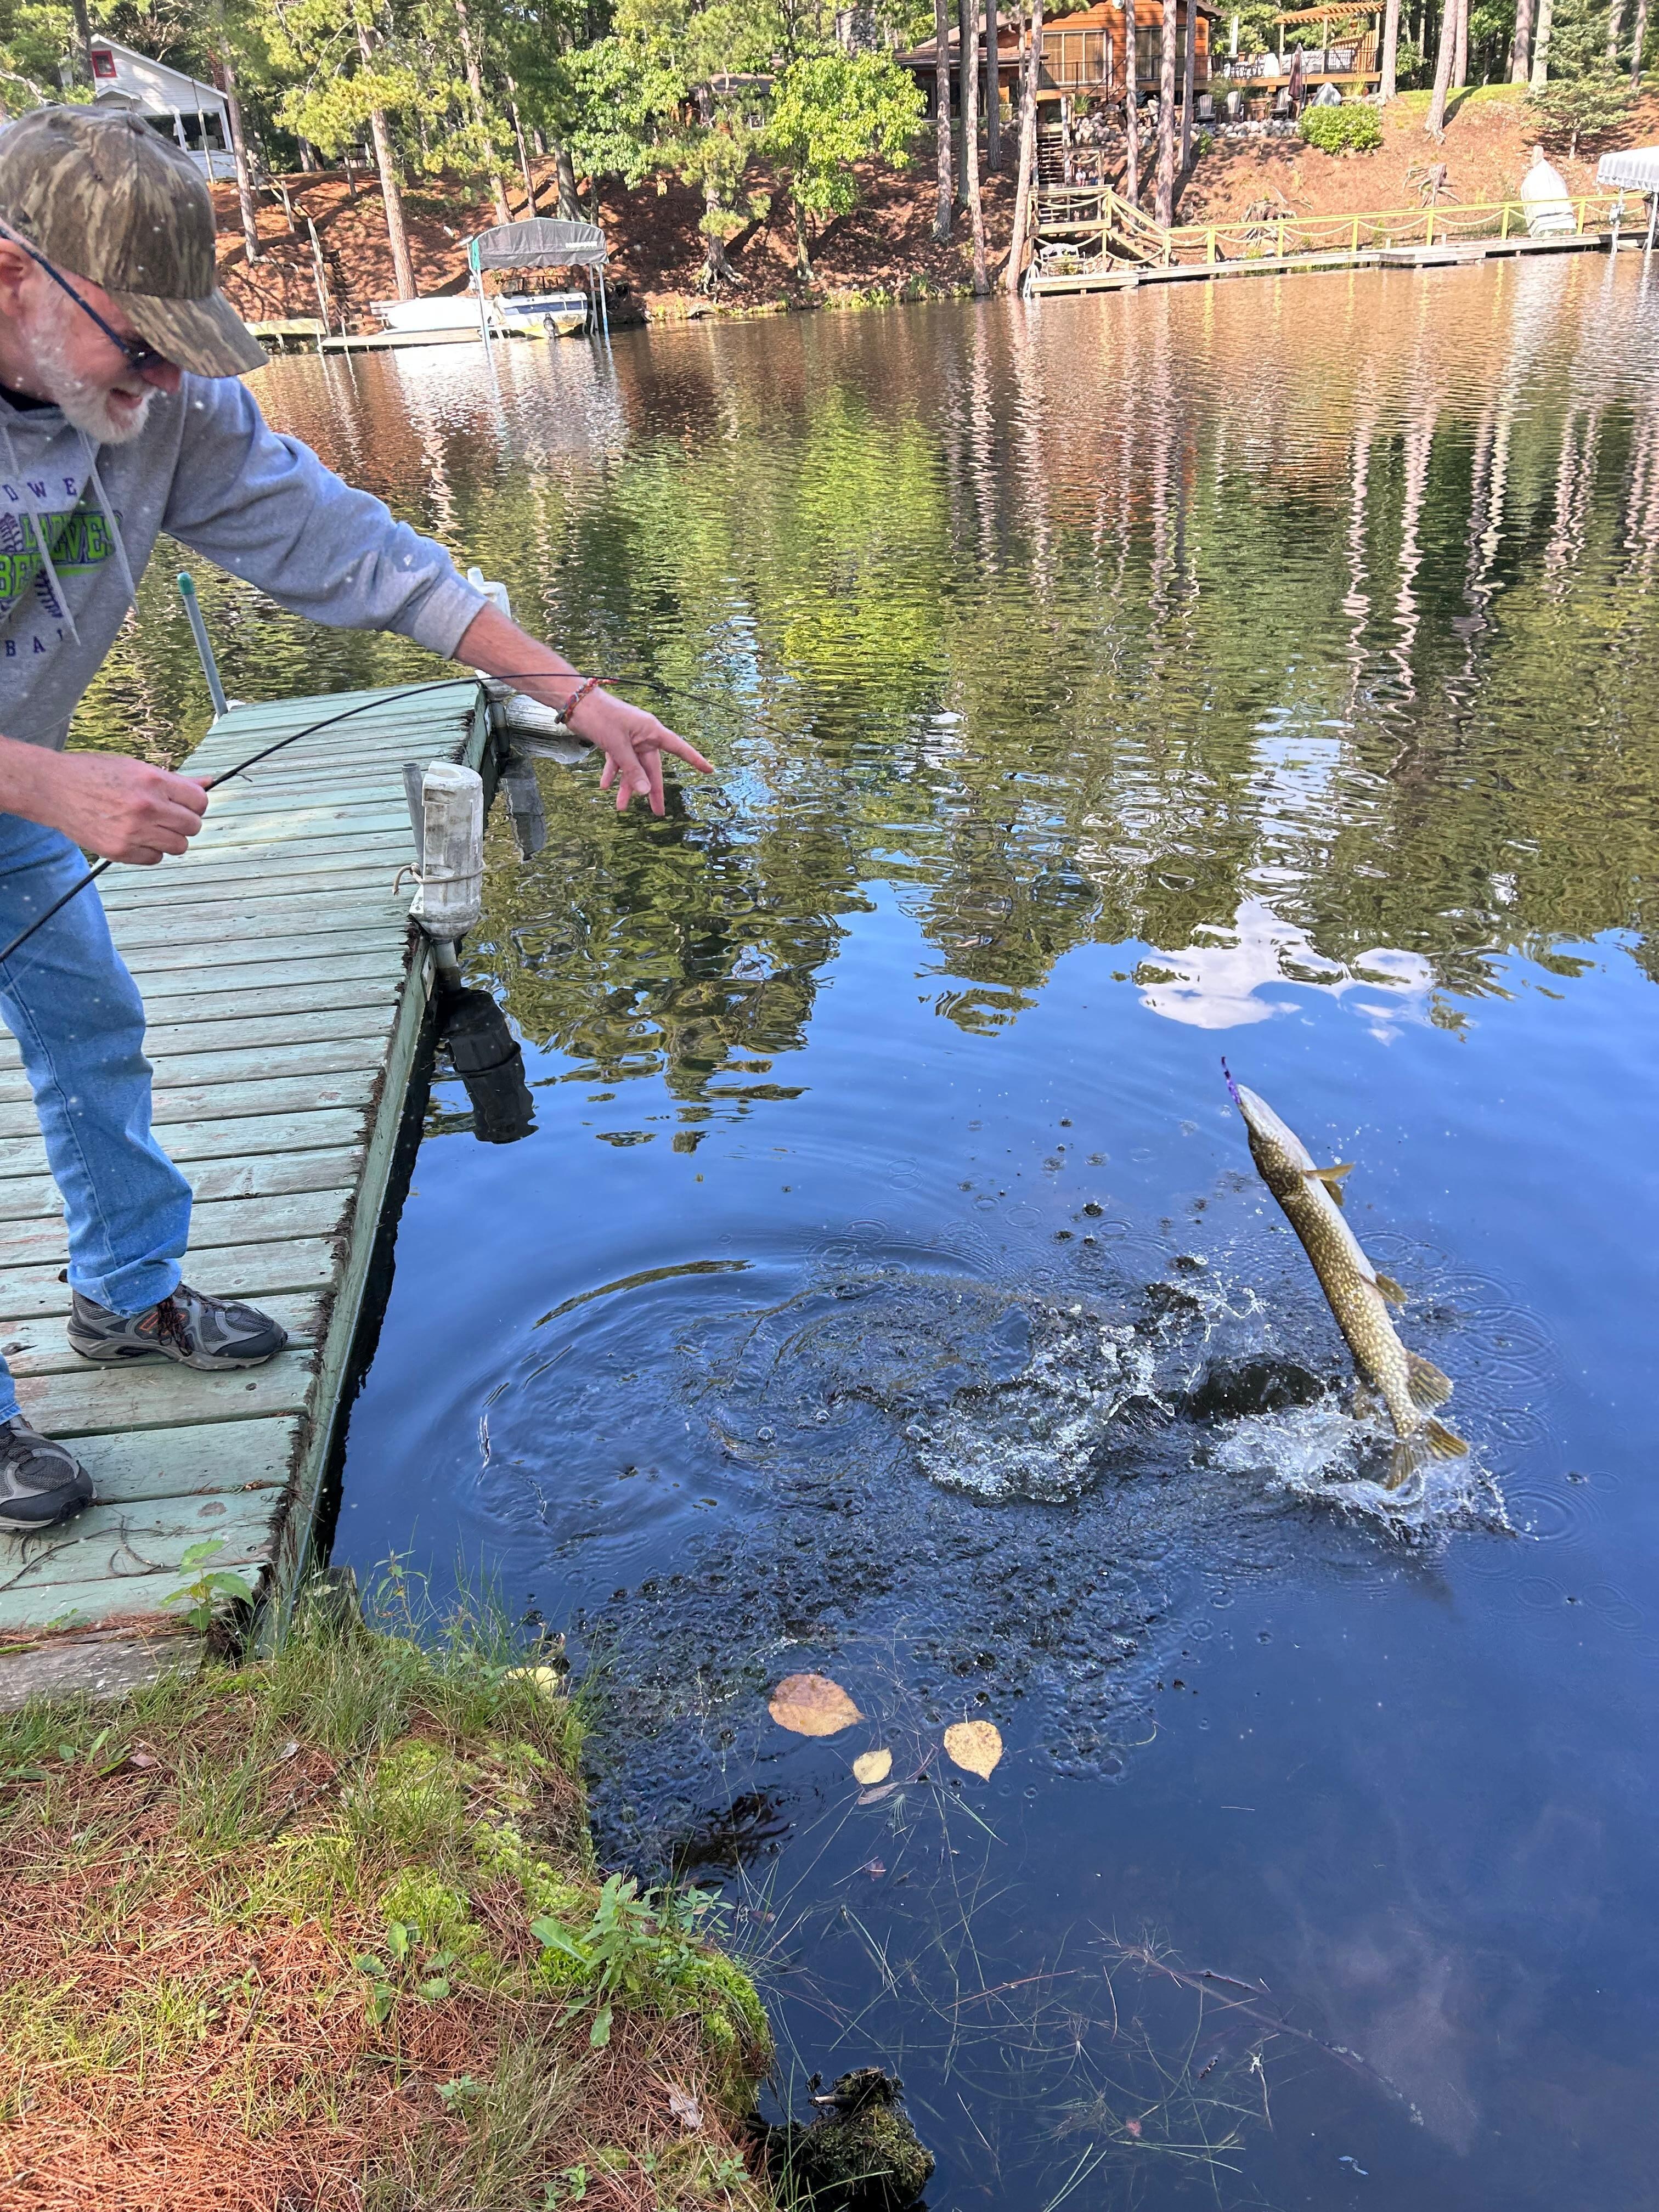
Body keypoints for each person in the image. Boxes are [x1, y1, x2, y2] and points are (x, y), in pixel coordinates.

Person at [0, 105, 711, 1531]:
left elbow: (361, 558)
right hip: (25, 778)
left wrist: (575, 693)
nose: (161, 375)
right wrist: (49, 781)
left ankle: (127, 1297)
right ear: (10, 274)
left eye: (178, 340)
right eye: (135, 341)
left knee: (91, 1029)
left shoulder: (162, 408)